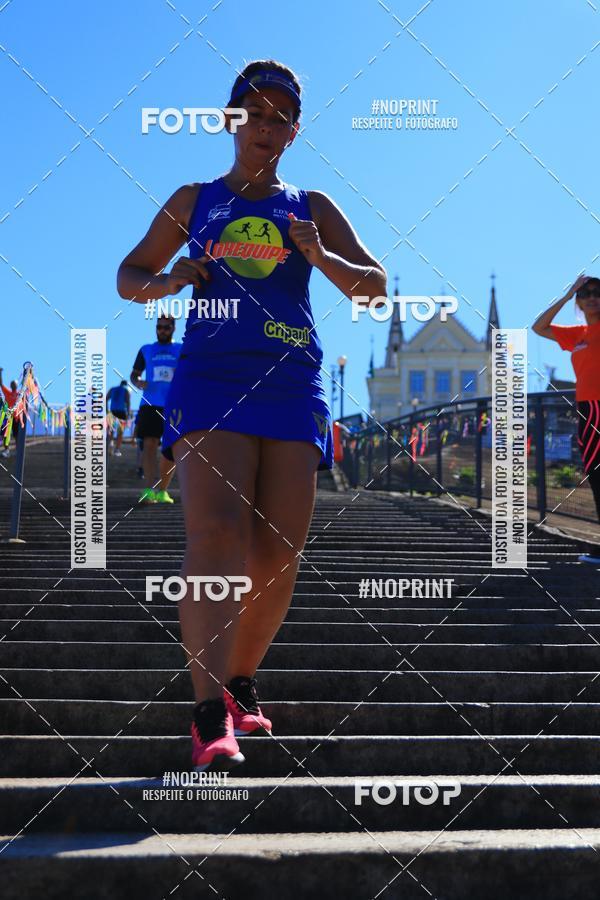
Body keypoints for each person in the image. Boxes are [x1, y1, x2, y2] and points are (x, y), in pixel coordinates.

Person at [117, 59, 387, 772]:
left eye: (280, 118)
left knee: (277, 551)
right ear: (232, 119)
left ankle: (238, 682)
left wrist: (320, 254)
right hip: (211, 377)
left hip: (291, 381)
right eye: (255, 113)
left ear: (294, 133)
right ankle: (208, 715)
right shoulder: (194, 198)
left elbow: (375, 288)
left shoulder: (312, 205)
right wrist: (170, 280)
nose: (266, 127)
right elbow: (128, 276)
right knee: (217, 530)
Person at [532, 274, 600, 564]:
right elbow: (539, 327)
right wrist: (568, 292)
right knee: (596, 476)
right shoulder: (577, 334)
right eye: (585, 294)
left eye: (598, 292)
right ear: (579, 302)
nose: (592, 297)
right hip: (587, 410)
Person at [130, 316, 182, 503]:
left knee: (172, 448)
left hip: (174, 404)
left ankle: (163, 490)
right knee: (149, 445)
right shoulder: (146, 349)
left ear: (173, 328)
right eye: (159, 327)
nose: (162, 331)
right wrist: (138, 382)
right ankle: (149, 489)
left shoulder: (181, 349)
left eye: (166, 328)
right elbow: (134, 374)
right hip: (150, 404)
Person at [106, 379, 131, 456]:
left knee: (110, 431)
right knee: (120, 432)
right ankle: (117, 450)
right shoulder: (126, 390)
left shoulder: (112, 389)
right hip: (122, 412)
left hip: (112, 411)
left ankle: (110, 445)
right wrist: (128, 414)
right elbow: (128, 403)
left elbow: (106, 399)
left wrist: (107, 410)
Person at [0, 369, 19, 458]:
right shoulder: (8, 393)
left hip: (16, 418)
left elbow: (26, 389)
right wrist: (0, 373)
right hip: (8, 417)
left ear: (16, 385)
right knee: (5, 434)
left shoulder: (19, 394)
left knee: (17, 435)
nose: (12, 385)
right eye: (12, 384)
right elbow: (1, 384)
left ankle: (18, 451)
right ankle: (6, 450)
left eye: (14, 384)